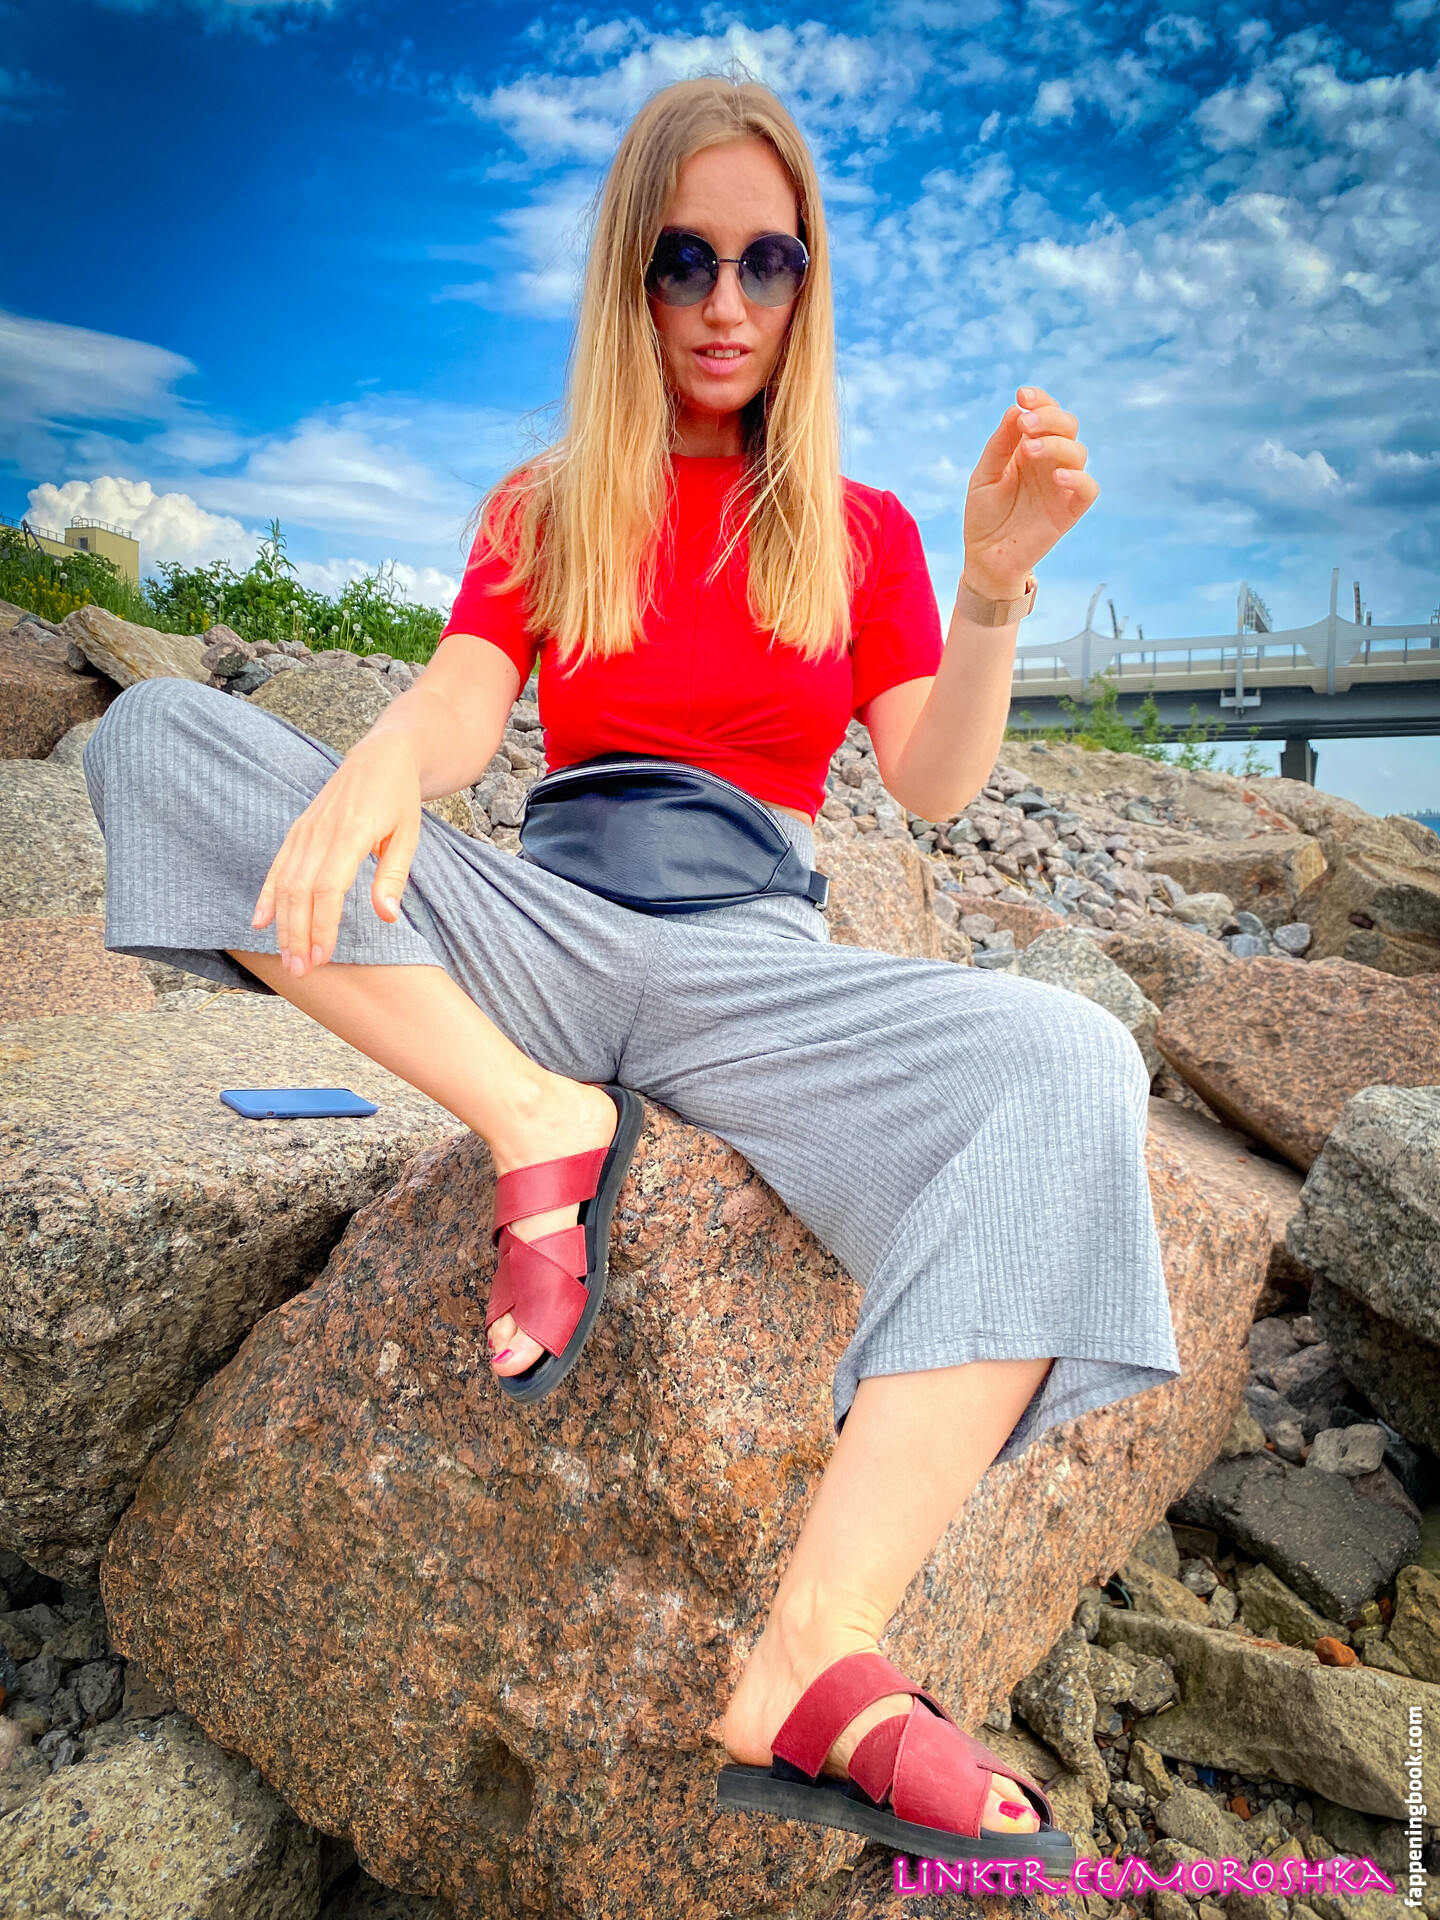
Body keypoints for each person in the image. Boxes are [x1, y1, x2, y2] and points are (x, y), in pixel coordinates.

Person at [84, 73, 1179, 1862]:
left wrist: (990, 592)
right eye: (684, 262)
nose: (726, 304)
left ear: (808, 281)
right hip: (543, 930)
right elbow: (463, 700)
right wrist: (382, 757)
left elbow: (931, 780)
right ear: (631, 280)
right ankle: (537, 1120)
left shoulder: (865, 530)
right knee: (155, 742)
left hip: (754, 962)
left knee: (1076, 1063)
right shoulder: (546, 503)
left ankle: (814, 1658)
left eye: (767, 262)